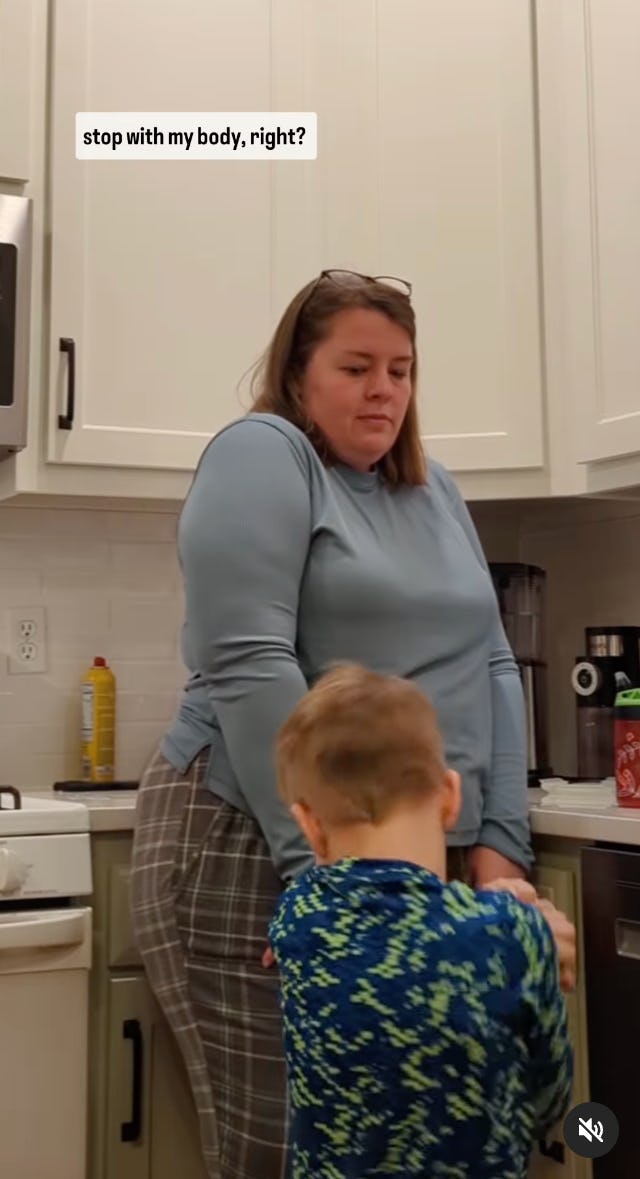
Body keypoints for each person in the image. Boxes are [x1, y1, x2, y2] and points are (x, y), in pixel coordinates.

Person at [130, 268, 551, 1179]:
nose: (385, 390)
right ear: (297, 375)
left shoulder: (433, 488)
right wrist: (326, 879)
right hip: (256, 843)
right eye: (357, 366)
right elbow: (248, 663)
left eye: (400, 369)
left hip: (417, 862)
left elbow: (489, 661)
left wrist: (500, 846)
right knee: (286, 1147)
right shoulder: (264, 454)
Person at [269, 661, 574, 1179]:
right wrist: (520, 930)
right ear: (451, 797)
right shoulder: (507, 934)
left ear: (306, 824)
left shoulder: (298, 919)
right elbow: (550, 1094)